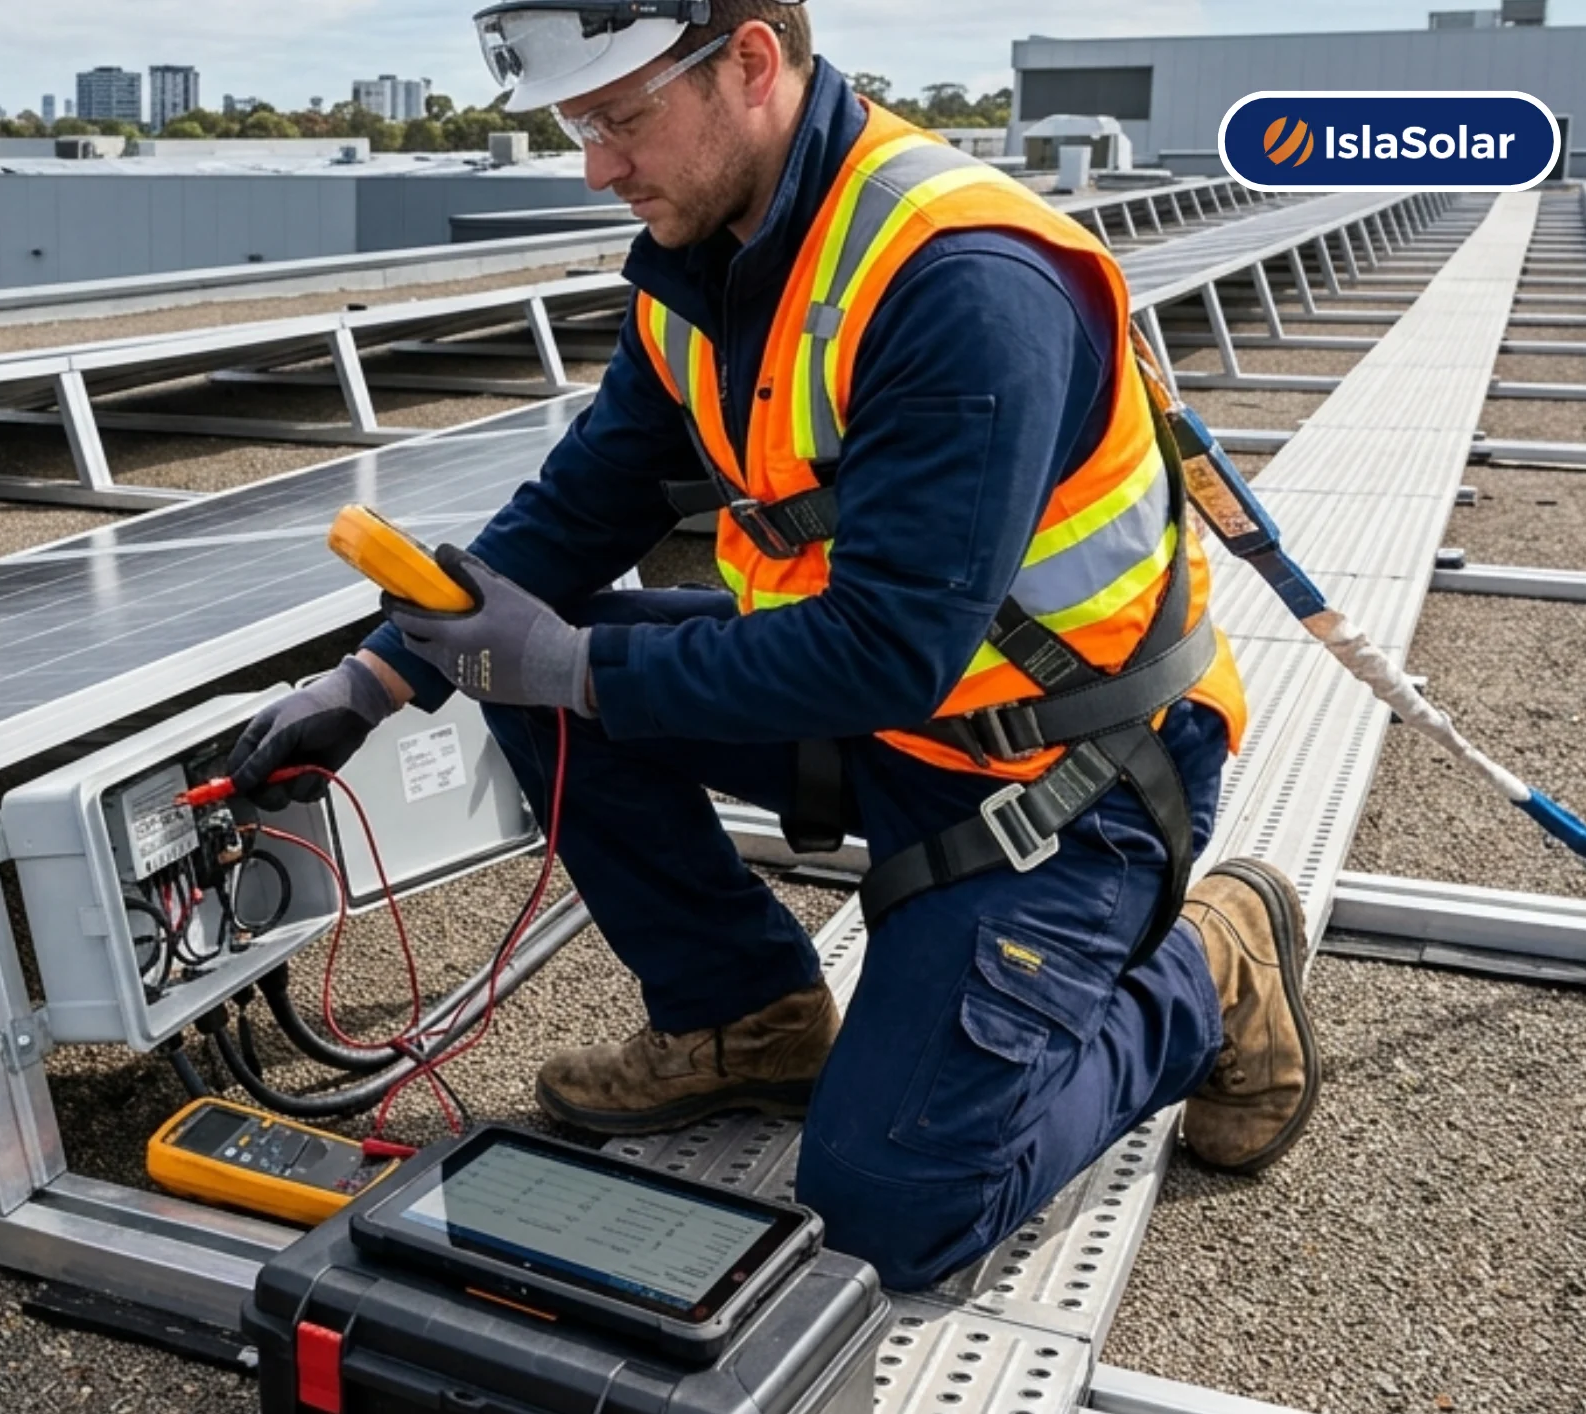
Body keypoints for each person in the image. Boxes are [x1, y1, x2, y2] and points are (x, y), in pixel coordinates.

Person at [227, 0, 1320, 1290]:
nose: (596, 167)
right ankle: (746, 1018)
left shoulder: (959, 278)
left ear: (750, 61)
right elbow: (581, 510)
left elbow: (888, 647)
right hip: (888, 720)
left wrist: (568, 666)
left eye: (621, 119)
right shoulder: (713, 263)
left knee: (890, 1212)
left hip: (1061, 771)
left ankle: (1212, 962)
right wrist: (375, 680)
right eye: (579, 125)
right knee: (518, 663)